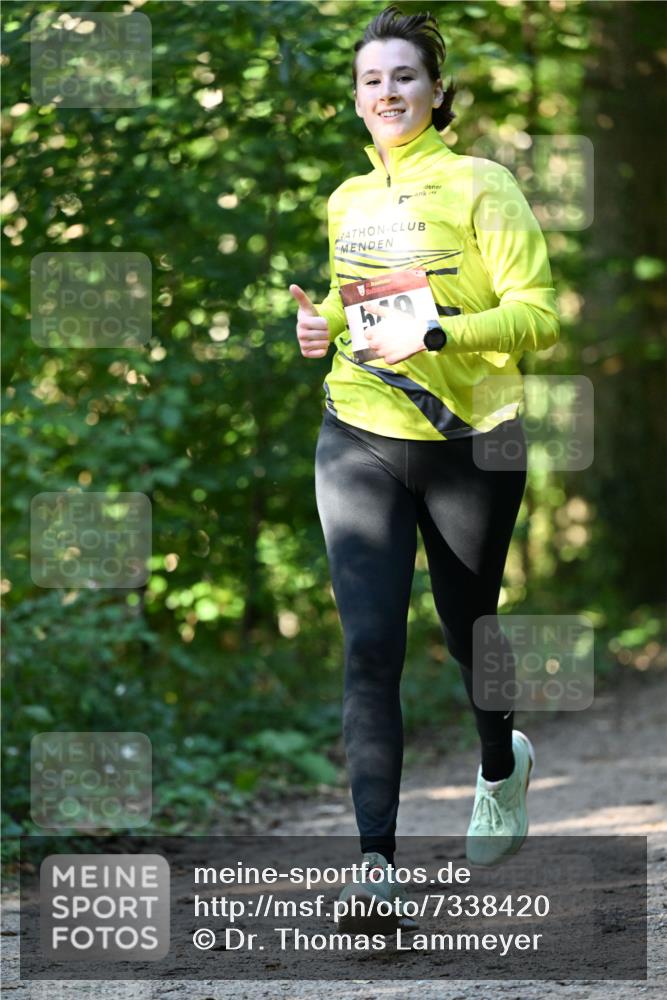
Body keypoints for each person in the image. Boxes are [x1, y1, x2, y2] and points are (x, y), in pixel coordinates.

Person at [289, 5, 557, 935]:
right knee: (370, 649)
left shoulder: (484, 185)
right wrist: (318, 321)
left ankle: (499, 762)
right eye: (371, 79)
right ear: (357, 98)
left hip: (474, 438)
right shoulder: (346, 201)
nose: (387, 92)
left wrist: (440, 331)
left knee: (467, 626)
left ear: (437, 93)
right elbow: (347, 303)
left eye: (404, 76)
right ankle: (374, 867)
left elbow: (539, 314)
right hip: (358, 430)